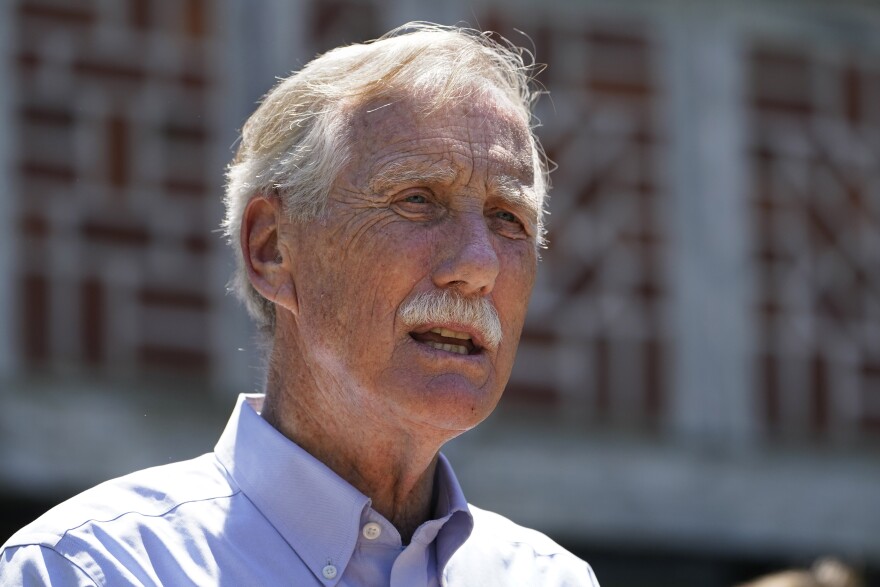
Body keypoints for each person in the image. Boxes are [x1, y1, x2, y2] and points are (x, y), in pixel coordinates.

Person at [0, 22, 598, 586]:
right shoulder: (96, 569)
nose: (479, 265)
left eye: (507, 218)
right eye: (417, 200)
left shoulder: (550, 578)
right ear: (271, 249)